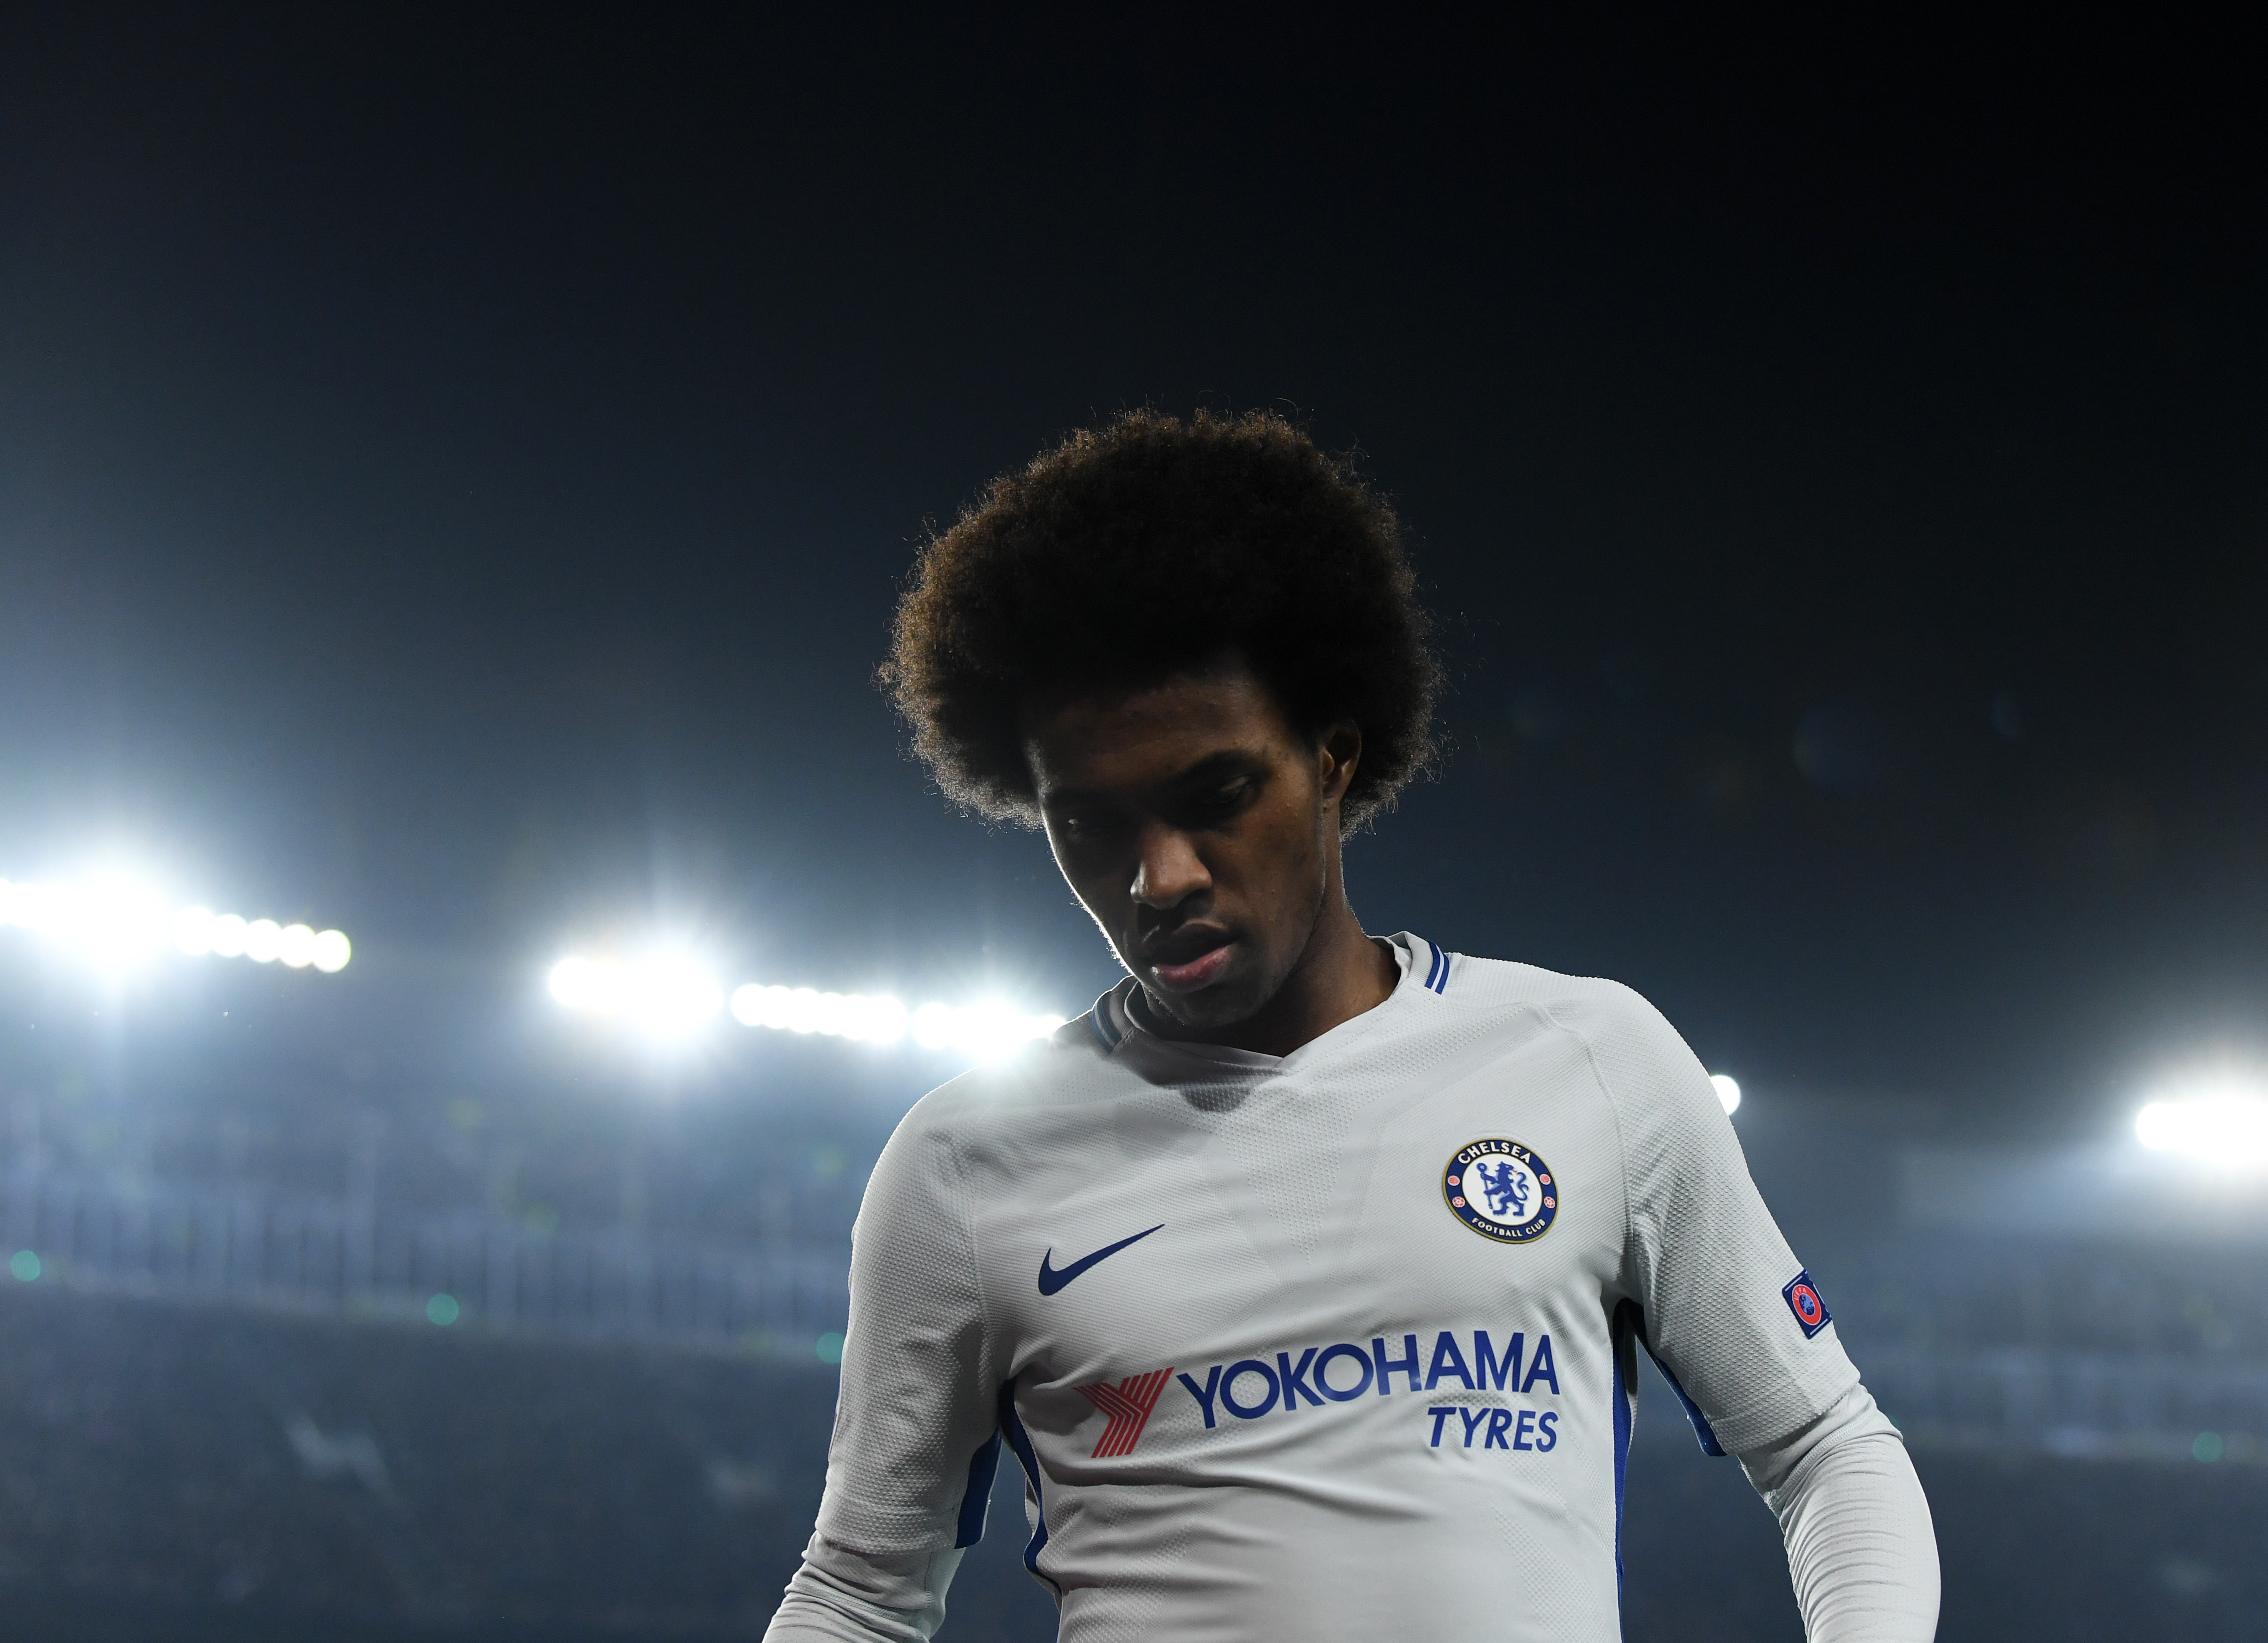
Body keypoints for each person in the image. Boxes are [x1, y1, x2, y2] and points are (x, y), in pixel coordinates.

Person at [765, 410, 1940, 1642]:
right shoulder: (963, 1160)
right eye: (1090, 824)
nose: (1157, 875)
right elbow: (857, 1590)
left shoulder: (1595, 1059)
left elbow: (1826, 1445)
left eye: (1216, 794)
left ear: (1332, 757)